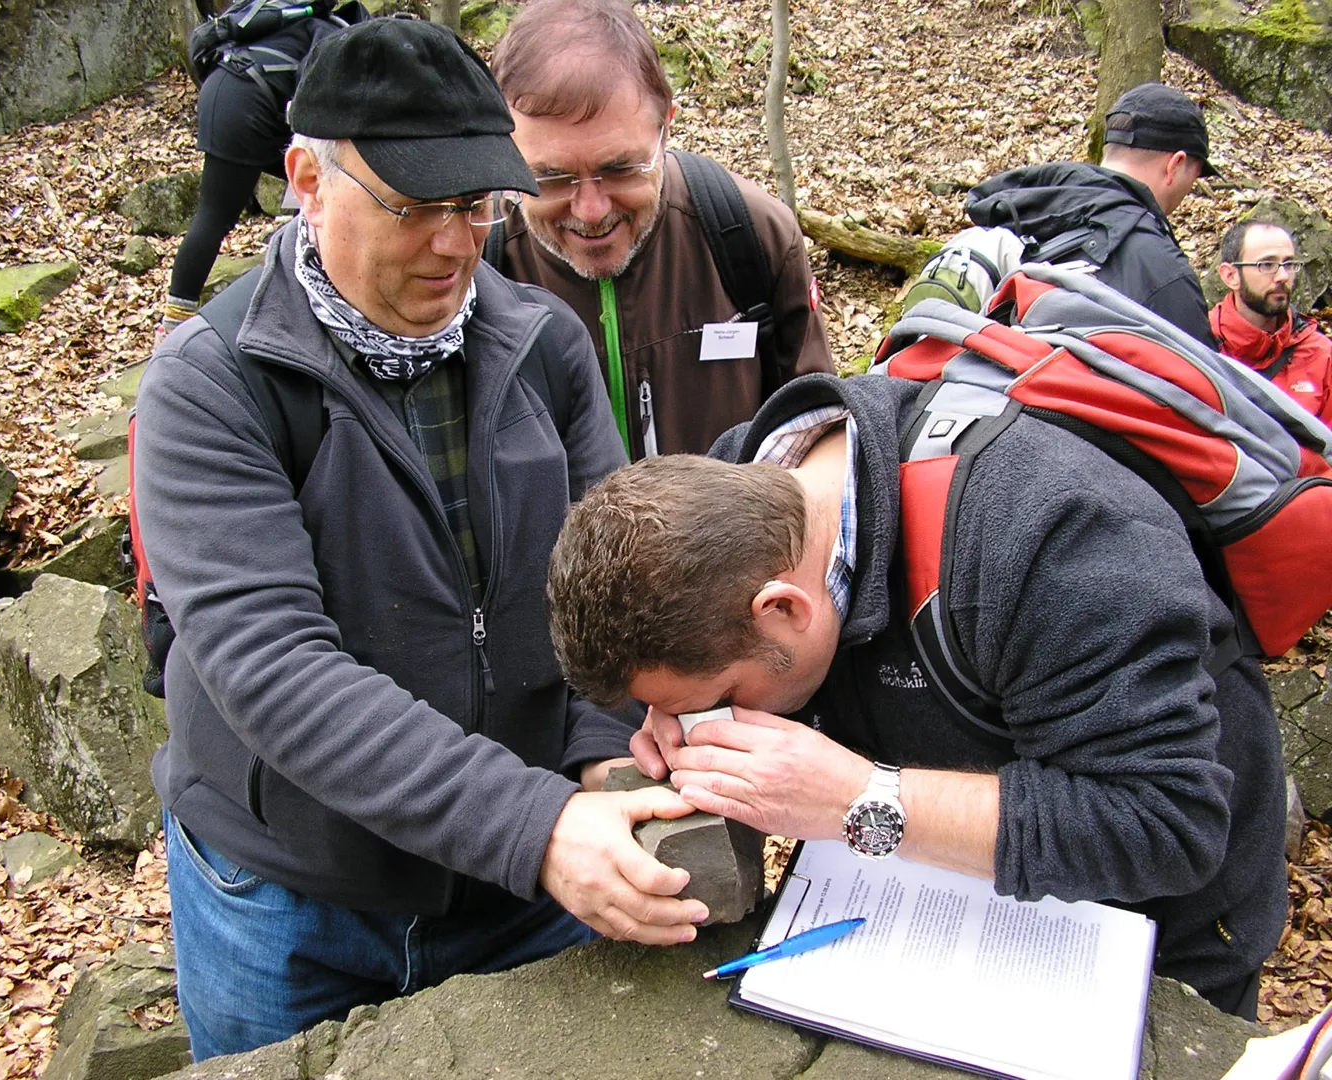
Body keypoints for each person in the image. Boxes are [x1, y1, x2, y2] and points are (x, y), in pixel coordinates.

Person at [134, 18, 710, 1061]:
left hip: (516, 886)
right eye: (413, 207)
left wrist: (595, 756)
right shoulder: (210, 386)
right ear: (307, 178)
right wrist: (533, 826)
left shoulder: (543, 343)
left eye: (475, 203)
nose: (456, 242)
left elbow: (612, 584)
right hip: (289, 902)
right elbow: (274, 669)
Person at [545, 370, 1287, 1021]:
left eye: (721, 696)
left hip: (1151, 939)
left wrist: (857, 802)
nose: (704, 724)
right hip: (942, 926)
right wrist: (661, 722)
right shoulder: (734, 493)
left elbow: (1165, 822)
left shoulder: (1043, 535)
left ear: (783, 610)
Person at [487, 0, 835, 459]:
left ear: (666, 127)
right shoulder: (475, 265)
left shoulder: (749, 236)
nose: (590, 211)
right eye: (549, 178)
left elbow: (819, 434)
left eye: (620, 169)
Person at [156, 0, 360, 341]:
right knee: (217, 217)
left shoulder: (299, 19)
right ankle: (173, 328)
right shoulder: (335, 37)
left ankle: (307, 266)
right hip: (249, 104)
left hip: (223, 89)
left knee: (317, 181)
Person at [965, 82, 1219, 348]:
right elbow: (1204, 382)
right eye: (1195, 173)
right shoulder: (1161, 269)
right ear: (1175, 165)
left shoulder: (1023, 210)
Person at [1212, 220, 1332, 425]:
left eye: (1289, 264)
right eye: (1267, 265)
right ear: (1231, 276)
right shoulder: (1200, 342)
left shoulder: (1320, 355)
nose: (1283, 276)